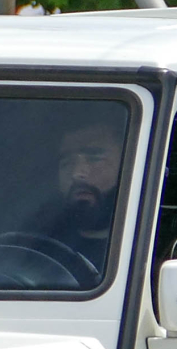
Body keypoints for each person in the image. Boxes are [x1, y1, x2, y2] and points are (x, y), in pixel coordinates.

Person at [45, 116, 124, 279]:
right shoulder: (37, 246)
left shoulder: (148, 248)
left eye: (94, 159)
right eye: (67, 163)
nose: (77, 173)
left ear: (127, 164)